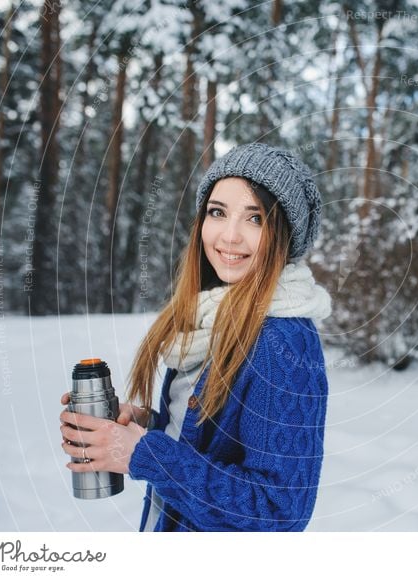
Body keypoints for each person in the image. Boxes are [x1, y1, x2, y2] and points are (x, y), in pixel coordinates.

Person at [59, 143, 332, 531]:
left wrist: (146, 455)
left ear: (285, 238)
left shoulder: (281, 342)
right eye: (217, 212)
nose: (230, 236)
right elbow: (215, 447)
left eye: (256, 219)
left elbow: (279, 512)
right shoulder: (211, 320)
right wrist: (150, 429)